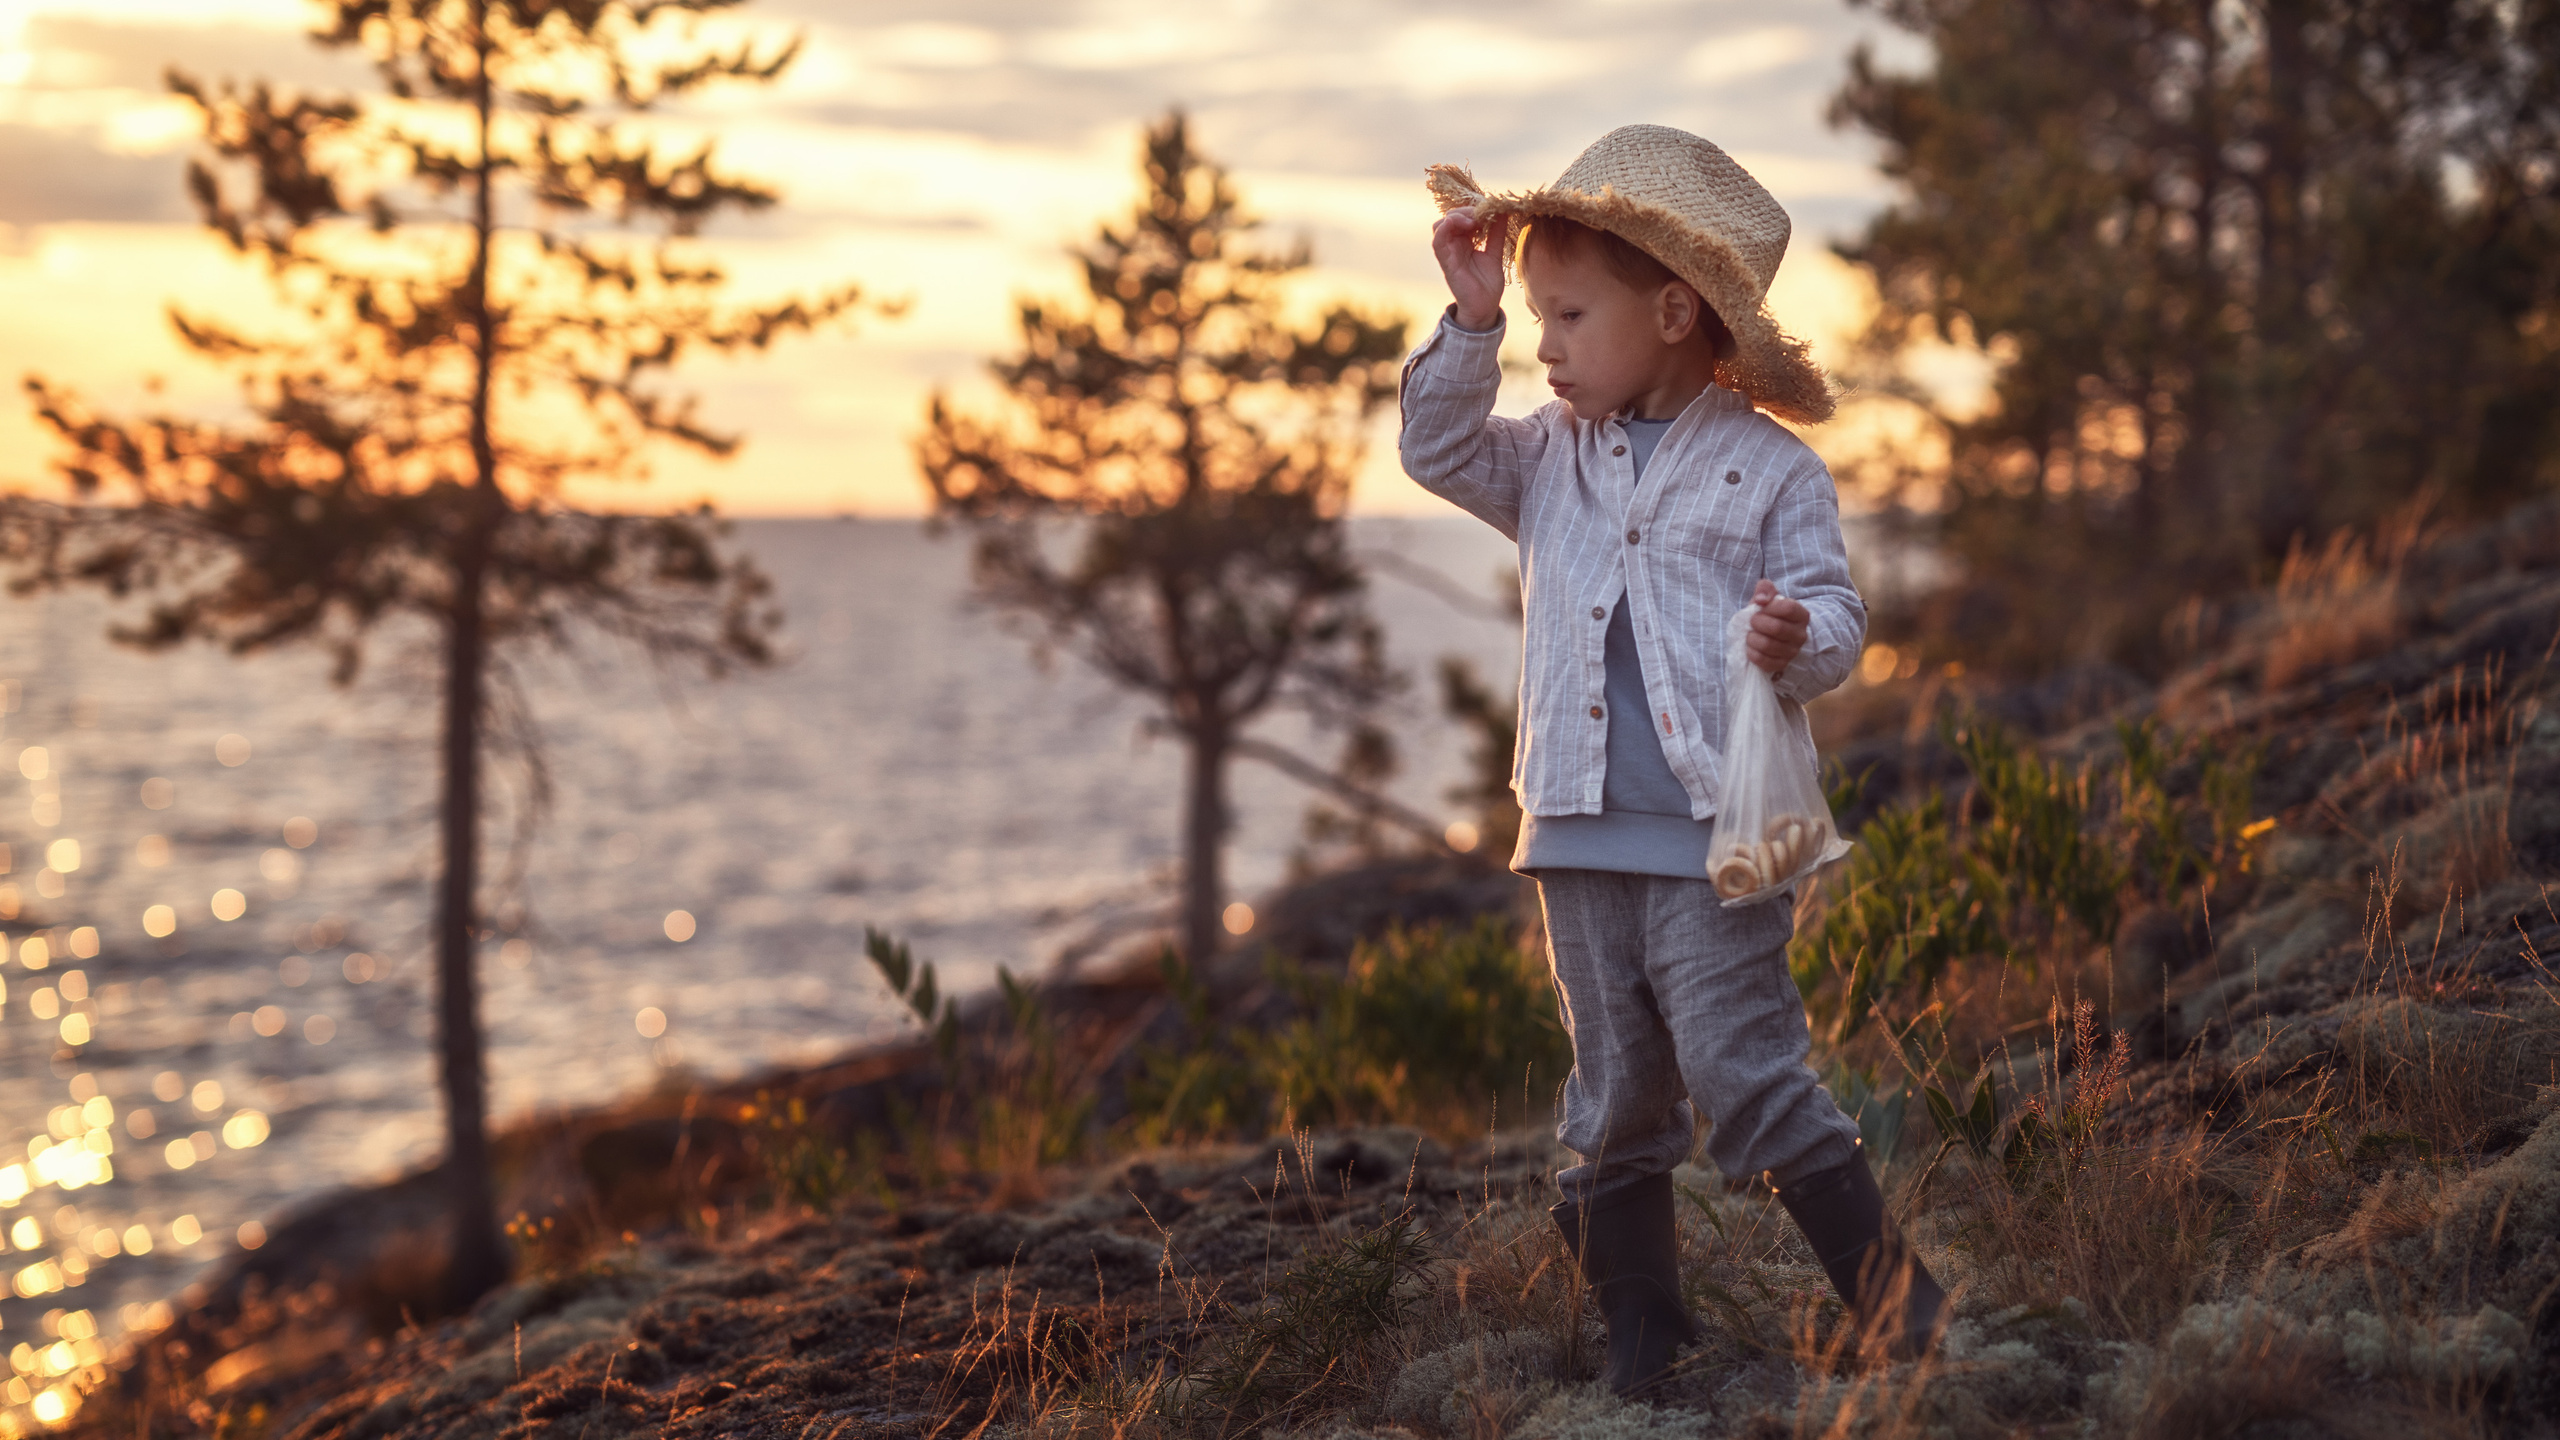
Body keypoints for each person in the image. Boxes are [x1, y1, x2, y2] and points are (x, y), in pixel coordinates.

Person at [1398, 124, 1947, 1395]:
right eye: (1535, 318)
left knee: (1747, 1070)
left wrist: (1798, 635)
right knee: (1617, 1095)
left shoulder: (1770, 470)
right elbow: (1433, 449)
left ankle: (1894, 1303)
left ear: (1672, 308)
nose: (1546, 346)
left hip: (1717, 839)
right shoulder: (1542, 457)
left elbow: (1836, 625)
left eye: (1566, 315)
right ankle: (1644, 1328)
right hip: (1580, 836)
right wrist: (1469, 321)